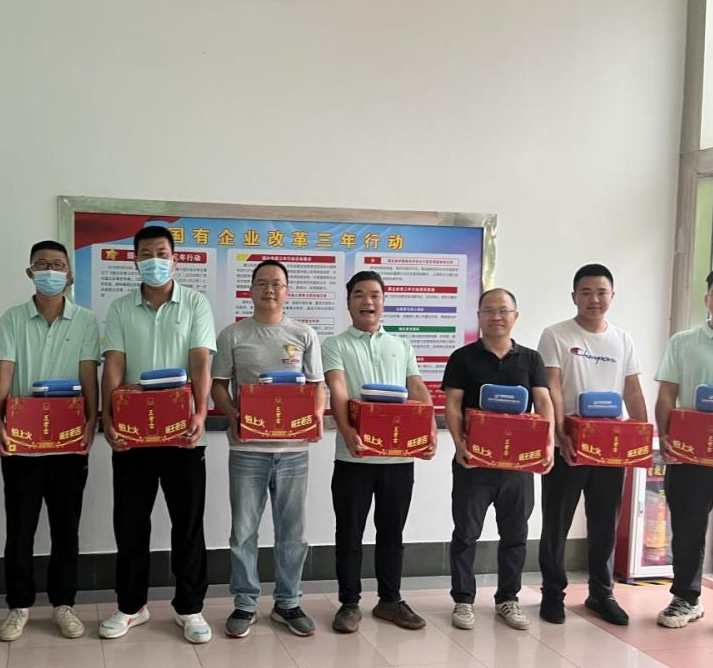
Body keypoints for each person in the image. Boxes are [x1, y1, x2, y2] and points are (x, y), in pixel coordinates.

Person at [99, 225, 216, 644]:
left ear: (175, 259)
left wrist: (200, 412)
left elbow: (200, 361)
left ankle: (190, 608)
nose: (154, 261)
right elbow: (114, 364)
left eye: (161, 253)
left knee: (188, 524)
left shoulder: (196, 303)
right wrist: (108, 417)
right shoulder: (120, 308)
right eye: (146, 253)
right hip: (133, 436)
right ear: (135, 260)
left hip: (184, 434)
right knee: (130, 523)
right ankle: (132, 606)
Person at [0, 240, 100, 642]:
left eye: (57, 264)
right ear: (30, 272)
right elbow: (4, 372)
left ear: (69, 274)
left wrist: (92, 420)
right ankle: (18, 605)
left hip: (69, 438)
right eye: (42, 264)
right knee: (20, 526)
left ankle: (63, 604)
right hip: (22, 439)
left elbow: (88, 375)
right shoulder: (13, 319)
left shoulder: (86, 320)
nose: (50, 271)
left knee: (65, 526)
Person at [211, 259, 325, 638]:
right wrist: (233, 415)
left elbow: (317, 386)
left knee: (292, 532)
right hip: (247, 450)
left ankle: (287, 603)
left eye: (277, 283)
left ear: (287, 291)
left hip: (294, 452)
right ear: (250, 290)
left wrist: (316, 417)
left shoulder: (304, 334)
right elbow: (218, 386)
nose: (270, 290)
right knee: (243, 531)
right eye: (262, 283)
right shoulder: (233, 335)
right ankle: (245, 603)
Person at [322, 270, 436, 634]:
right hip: (353, 457)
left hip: (398, 459)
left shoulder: (401, 345)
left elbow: (417, 388)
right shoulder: (335, 344)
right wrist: (348, 432)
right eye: (359, 294)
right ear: (348, 303)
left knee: (392, 532)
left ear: (384, 302)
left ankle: (390, 600)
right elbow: (338, 390)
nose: (367, 301)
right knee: (349, 533)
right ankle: (349, 603)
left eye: (374, 294)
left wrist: (430, 428)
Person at [537, 264, 647, 626]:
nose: (594, 299)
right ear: (574, 297)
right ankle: (553, 593)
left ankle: (602, 593)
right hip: (567, 445)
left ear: (612, 296)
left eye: (601, 292)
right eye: (586, 292)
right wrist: (559, 435)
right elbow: (552, 387)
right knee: (557, 523)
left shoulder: (623, 339)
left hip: (611, 449)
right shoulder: (555, 335)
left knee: (604, 523)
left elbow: (632, 390)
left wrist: (642, 436)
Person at [443, 287, 554, 631]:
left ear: (515, 316)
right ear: (479, 316)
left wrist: (547, 444)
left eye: (503, 310)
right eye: (489, 310)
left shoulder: (531, 359)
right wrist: (459, 444)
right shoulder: (463, 358)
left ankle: (508, 598)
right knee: (466, 533)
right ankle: (463, 600)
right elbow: (452, 404)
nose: (496, 317)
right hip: (473, 464)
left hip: (518, 467)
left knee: (515, 534)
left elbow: (543, 401)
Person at [654, 265, 713, 637]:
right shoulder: (683, 342)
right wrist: (665, 437)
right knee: (687, 529)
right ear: (706, 299)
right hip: (689, 454)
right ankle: (686, 597)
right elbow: (667, 394)